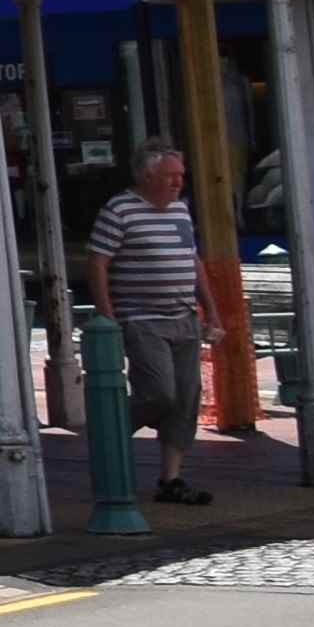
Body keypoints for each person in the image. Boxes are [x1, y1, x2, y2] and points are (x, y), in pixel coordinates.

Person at [78, 146, 215, 505]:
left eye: (181, 175)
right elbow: (97, 263)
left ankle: (171, 479)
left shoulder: (182, 210)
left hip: (183, 318)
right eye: (172, 175)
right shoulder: (119, 210)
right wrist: (108, 315)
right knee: (160, 392)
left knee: (185, 399)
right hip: (141, 318)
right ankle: (111, 432)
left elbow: (193, 261)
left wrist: (211, 311)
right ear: (147, 176)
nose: (179, 182)